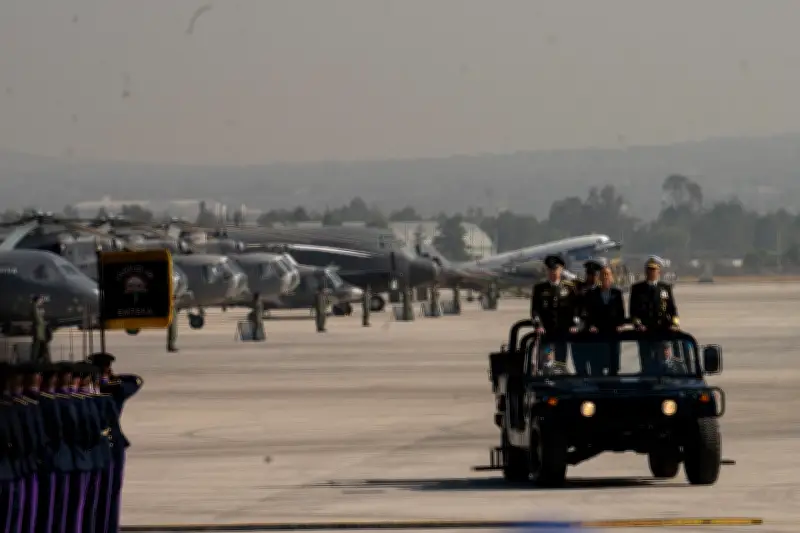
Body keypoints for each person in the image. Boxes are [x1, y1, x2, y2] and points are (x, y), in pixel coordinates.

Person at [88, 352, 143, 533]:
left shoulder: (101, 391)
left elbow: (137, 381)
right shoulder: (114, 391)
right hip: (107, 445)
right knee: (108, 493)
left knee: (101, 493)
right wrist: (114, 379)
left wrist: (108, 381)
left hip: (98, 447)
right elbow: (136, 381)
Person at [629, 256, 680, 373]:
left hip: (662, 331)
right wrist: (638, 325)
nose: (651, 272)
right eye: (649, 270)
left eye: (653, 270)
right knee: (647, 362)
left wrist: (675, 323)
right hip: (645, 331)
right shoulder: (637, 289)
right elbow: (633, 312)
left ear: (659, 271)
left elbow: (673, 310)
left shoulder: (665, 288)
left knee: (664, 363)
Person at [530, 255, 577, 364]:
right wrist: (539, 325)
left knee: (560, 361)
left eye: (556, 269)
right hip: (547, 333)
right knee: (547, 359)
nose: (553, 272)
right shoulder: (540, 289)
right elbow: (535, 310)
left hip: (562, 332)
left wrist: (574, 324)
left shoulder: (569, 288)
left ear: (561, 270)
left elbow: (574, 309)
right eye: (550, 270)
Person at [581, 265, 627, 376]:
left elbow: (621, 312)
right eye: (603, 275)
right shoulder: (591, 294)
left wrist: (621, 325)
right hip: (597, 333)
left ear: (611, 277)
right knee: (597, 364)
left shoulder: (617, 293)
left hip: (613, 333)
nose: (605, 277)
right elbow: (588, 313)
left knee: (613, 364)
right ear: (599, 278)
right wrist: (590, 325)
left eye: (607, 274)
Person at [30, 295, 51, 363]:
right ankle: (35, 362)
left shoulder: (38, 308)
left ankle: (43, 361)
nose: (42, 301)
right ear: (37, 301)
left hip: (41, 334)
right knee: (37, 349)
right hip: (38, 334)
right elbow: (37, 318)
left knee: (42, 349)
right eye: (40, 300)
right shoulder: (35, 308)